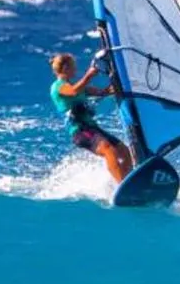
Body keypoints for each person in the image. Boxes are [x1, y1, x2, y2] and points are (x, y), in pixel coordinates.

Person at [50, 50, 134, 185]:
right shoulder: (57, 87)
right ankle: (122, 184)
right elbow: (72, 92)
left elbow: (103, 92)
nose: (76, 69)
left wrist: (118, 81)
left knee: (125, 152)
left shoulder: (78, 87)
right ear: (66, 68)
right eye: (73, 66)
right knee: (108, 150)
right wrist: (89, 75)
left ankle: (128, 181)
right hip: (80, 130)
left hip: (92, 128)